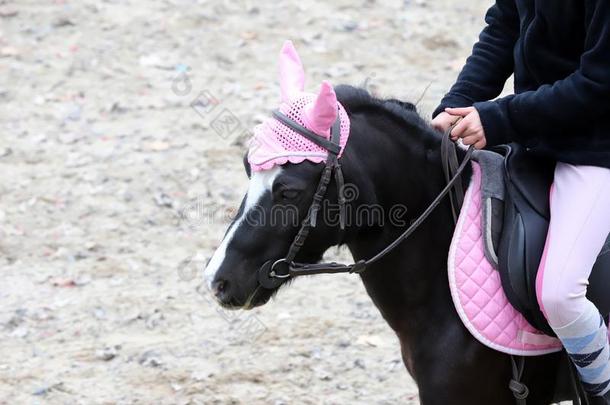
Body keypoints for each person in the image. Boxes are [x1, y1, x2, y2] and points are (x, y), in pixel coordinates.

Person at [430, 1, 610, 402]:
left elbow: (599, 84)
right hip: (536, 135)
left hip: (597, 149)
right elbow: (502, 29)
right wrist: (456, 103)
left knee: (559, 293)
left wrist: (497, 118)